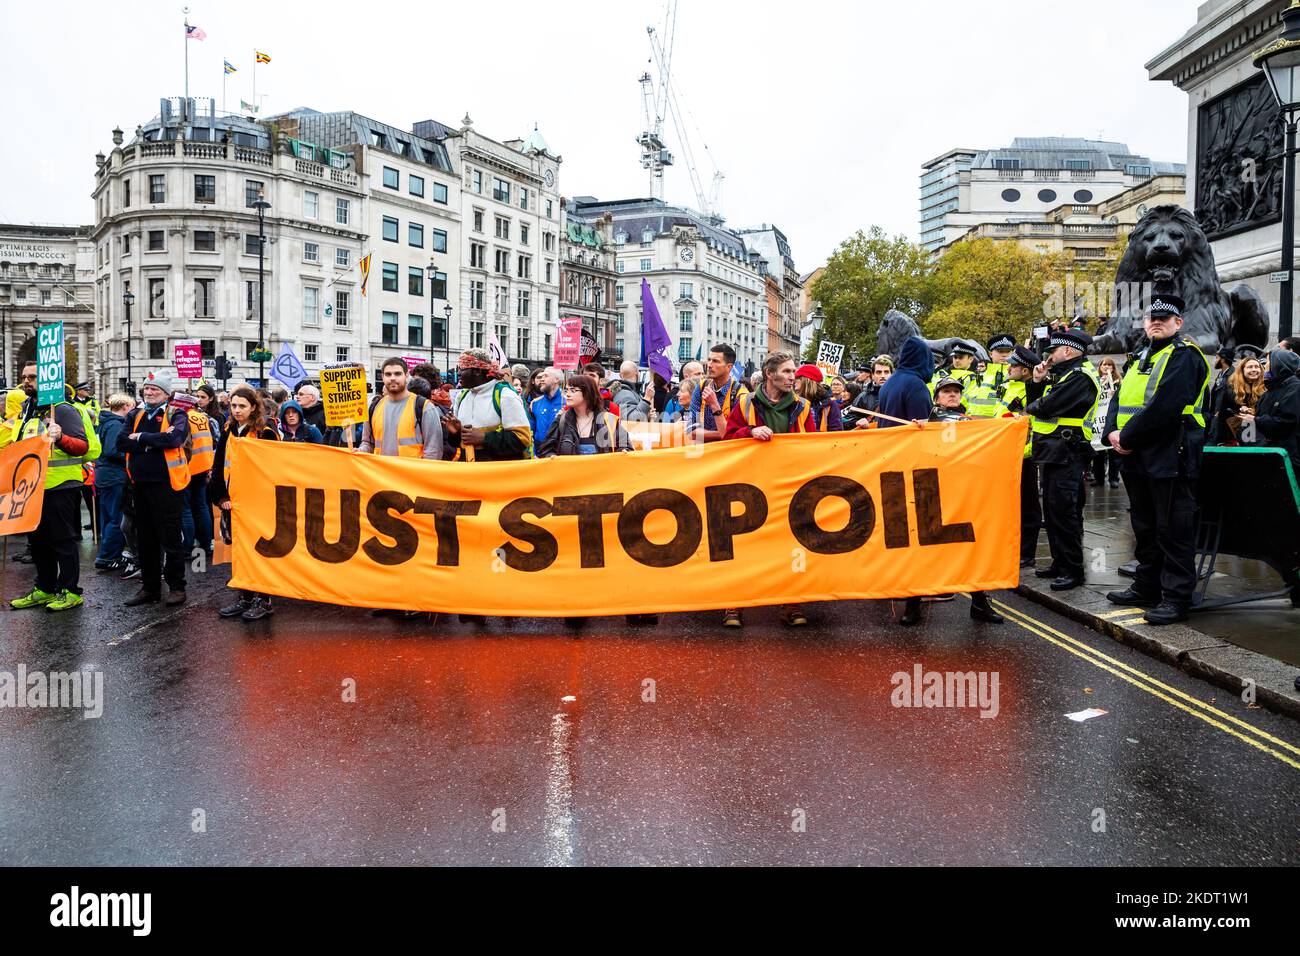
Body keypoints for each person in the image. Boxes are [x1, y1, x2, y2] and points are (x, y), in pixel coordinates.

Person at [1103, 294, 1212, 625]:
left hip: (1170, 452)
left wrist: (1127, 437)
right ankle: (1147, 585)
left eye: (1164, 318)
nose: (1156, 322)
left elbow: (1166, 405)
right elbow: (1118, 399)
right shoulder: (1140, 357)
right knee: (1145, 525)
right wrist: (1111, 433)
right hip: (1137, 454)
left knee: (1173, 528)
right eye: (1152, 317)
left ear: (1178, 323)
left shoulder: (1185, 356)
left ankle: (1177, 597)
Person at [894, 377, 1005, 627]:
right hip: (933, 494)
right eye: (946, 392)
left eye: (956, 392)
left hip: (964, 494)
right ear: (937, 398)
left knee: (971, 550)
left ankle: (979, 603)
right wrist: (918, 429)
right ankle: (913, 605)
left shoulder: (971, 422)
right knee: (924, 552)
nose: (952, 395)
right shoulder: (926, 421)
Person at [722, 350, 817, 629]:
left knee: (790, 545)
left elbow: (814, 445)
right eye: (787, 372)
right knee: (744, 544)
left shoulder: (803, 406)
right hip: (751, 486)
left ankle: (790, 602)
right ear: (770, 375)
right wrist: (749, 432)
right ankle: (734, 604)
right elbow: (728, 439)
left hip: (790, 485)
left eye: (793, 372)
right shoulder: (746, 403)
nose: (792, 377)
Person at [8, 365, 96, 613]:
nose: (27, 381)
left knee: (62, 541)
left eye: (32, 377)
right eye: (24, 377)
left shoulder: (64, 409)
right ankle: (44, 588)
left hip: (59, 486)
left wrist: (61, 438)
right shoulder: (28, 409)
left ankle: (70, 591)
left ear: (46, 380)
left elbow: (83, 447)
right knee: (38, 543)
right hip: (32, 488)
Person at [1025, 328, 1101, 592]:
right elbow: (1041, 401)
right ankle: (1060, 562)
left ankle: (1072, 570)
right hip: (1054, 452)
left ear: (1067, 350)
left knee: (1065, 512)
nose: (1050, 357)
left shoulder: (1080, 377)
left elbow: (1047, 406)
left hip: (1069, 452)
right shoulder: (1066, 375)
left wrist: (1031, 405)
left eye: (1053, 351)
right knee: (1054, 512)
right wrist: (1036, 382)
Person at [117, 370, 191, 607]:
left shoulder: (177, 414)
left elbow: (174, 440)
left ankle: (177, 587)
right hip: (139, 486)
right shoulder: (135, 414)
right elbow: (121, 441)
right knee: (145, 539)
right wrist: (151, 441)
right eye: (146, 389)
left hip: (168, 486)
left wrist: (140, 438)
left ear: (166, 394)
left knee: (170, 538)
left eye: (154, 390)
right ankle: (150, 588)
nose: (148, 393)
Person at [209, 385, 281, 621]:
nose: (237, 410)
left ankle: (265, 600)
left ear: (253, 407)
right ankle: (246, 597)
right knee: (240, 552)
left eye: (242, 406)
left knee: (260, 552)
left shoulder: (266, 431)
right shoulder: (230, 429)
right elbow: (219, 464)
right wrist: (221, 497)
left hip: (259, 503)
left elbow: (273, 469)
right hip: (234, 502)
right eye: (233, 405)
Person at [445, 349, 532, 463]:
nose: (459, 373)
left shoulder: (505, 395)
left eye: (462, 369)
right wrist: (456, 433)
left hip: (496, 476)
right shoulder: (461, 396)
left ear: (477, 371)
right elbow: (460, 443)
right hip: (468, 474)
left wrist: (484, 438)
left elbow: (523, 438)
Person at [1002, 345, 1042, 568]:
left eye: (1014, 366)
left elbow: (1030, 424)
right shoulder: (1009, 387)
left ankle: (1027, 553)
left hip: (1024, 456)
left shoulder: (1031, 390)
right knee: (1011, 507)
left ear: (1025, 370)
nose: (1009, 368)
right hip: (1006, 455)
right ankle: (1015, 549)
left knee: (1028, 506)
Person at [358, 357, 443, 461]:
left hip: (412, 476)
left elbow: (433, 451)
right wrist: (358, 452)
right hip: (381, 475)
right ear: (382, 377)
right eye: (388, 374)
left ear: (406, 376)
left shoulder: (425, 407)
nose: (392, 378)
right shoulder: (374, 407)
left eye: (398, 374)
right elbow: (368, 444)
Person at [538, 373, 634, 456]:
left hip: (602, 476)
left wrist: (623, 452)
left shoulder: (608, 420)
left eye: (573, 390)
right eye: (566, 390)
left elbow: (626, 448)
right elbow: (546, 450)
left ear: (587, 392)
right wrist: (552, 456)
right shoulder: (561, 420)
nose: (567, 394)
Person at [1240, 346, 1300, 473]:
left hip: (1286, 459)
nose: (1265, 366)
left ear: (1278, 364)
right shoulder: (1269, 391)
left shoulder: (1295, 388)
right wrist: (1251, 416)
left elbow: (1287, 422)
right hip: (1267, 456)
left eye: (1268, 362)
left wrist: (1256, 419)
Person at [92, 394, 133, 572]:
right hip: (114, 476)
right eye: (131, 407)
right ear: (124, 407)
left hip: (105, 474)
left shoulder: (106, 421)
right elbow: (112, 450)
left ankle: (108, 553)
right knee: (117, 518)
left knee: (109, 516)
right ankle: (108, 556)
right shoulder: (116, 424)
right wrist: (132, 454)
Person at [180, 391, 218, 556]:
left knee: (186, 508)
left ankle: (188, 547)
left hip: (188, 467)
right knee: (201, 505)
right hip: (203, 466)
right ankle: (205, 542)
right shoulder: (202, 417)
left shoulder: (182, 418)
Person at [691, 344, 749, 443]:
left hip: (727, 456)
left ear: (729, 367)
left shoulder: (741, 395)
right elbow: (693, 432)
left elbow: (733, 438)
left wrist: (714, 405)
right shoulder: (701, 387)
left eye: (715, 361)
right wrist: (721, 433)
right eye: (709, 360)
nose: (709, 365)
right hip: (703, 454)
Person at [877, 336, 934, 427]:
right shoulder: (916, 385)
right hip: (907, 440)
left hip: (889, 439)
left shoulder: (887, 384)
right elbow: (923, 428)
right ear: (925, 359)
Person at [965, 334, 1017, 418]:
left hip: (998, 426)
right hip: (974, 423)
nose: (1004, 355)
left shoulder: (1015, 376)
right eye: (1000, 351)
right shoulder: (981, 375)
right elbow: (967, 398)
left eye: (1008, 351)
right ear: (990, 354)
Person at [1218, 356, 1266, 445]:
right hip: (1234, 432)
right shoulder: (1231, 388)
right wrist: (1240, 409)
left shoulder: (1265, 388)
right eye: (1250, 367)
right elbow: (1222, 412)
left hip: (1258, 431)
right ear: (1242, 370)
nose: (1254, 369)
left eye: (1257, 366)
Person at [1090, 356, 1123, 486]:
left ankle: (1114, 478)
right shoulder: (1095, 381)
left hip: (1111, 418)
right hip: (1098, 419)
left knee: (1113, 451)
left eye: (1109, 365)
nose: (1106, 367)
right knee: (1098, 451)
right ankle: (1098, 478)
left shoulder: (1118, 382)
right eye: (1104, 365)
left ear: (1113, 368)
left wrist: (1114, 394)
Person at [844, 356, 894, 428]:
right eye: (879, 372)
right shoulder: (864, 396)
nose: (883, 376)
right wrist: (856, 422)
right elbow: (845, 420)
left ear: (892, 374)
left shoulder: (901, 395)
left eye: (886, 372)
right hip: (873, 437)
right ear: (873, 375)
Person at [527, 366, 565, 456]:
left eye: (546, 376)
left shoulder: (567, 403)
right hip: (538, 454)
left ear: (556, 379)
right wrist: (533, 454)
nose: (541, 380)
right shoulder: (535, 403)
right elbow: (530, 432)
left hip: (559, 454)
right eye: (540, 377)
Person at [793, 364, 843, 431]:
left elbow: (836, 432)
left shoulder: (829, 404)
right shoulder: (793, 401)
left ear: (807, 381)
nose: (794, 381)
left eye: (798, 378)